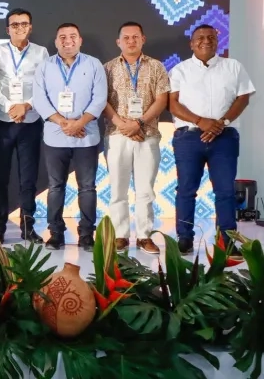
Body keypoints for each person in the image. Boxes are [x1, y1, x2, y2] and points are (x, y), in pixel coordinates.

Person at [169, 24, 254, 255]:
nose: (205, 41)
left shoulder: (233, 66)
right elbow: (173, 104)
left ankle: (227, 241)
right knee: (186, 190)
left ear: (218, 41)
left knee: (225, 191)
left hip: (224, 138)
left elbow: (243, 98)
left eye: (210, 37)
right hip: (188, 138)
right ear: (191, 43)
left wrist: (221, 124)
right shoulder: (180, 70)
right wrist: (201, 121)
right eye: (200, 38)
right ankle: (184, 238)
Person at [32, 23, 107, 252]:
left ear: (80, 40)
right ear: (56, 42)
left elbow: (100, 98)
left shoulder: (93, 64)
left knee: (87, 187)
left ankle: (86, 234)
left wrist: (79, 123)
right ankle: (55, 233)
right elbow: (40, 99)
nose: (68, 41)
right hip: (56, 135)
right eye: (62, 37)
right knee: (55, 186)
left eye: (73, 36)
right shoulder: (44, 66)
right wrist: (65, 123)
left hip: (86, 136)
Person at [103, 22, 169, 254]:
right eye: (126, 37)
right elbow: (103, 101)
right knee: (117, 190)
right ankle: (120, 235)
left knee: (145, 190)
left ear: (143, 39)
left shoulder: (157, 67)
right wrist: (123, 124)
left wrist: (138, 123)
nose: (131, 41)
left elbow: (161, 100)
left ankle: (144, 236)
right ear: (118, 42)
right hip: (117, 135)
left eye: (135, 37)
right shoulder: (108, 68)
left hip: (147, 135)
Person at [0, 8, 47, 244]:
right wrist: (11, 107)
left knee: (28, 179)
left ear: (30, 27)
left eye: (24, 24)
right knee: (0, 178)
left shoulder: (42, 53)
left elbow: (44, 86)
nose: (19, 28)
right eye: (14, 25)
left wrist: (26, 106)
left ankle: (27, 226)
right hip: (2, 121)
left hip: (30, 121)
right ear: (7, 29)